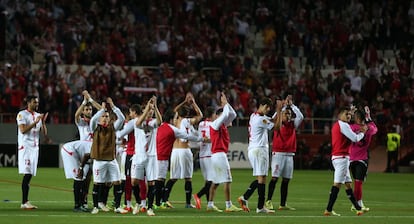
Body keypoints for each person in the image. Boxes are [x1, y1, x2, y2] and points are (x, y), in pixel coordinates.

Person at [323, 106, 369, 216]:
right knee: (337, 184)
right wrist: (363, 132)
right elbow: (355, 138)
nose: (349, 116)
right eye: (346, 114)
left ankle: (358, 208)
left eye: (350, 114)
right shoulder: (343, 125)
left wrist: (351, 113)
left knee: (348, 184)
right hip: (341, 158)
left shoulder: (337, 125)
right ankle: (328, 209)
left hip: (340, 157)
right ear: (340, 115)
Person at [155, 109, 205, 208]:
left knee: (173, 177)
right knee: (188, 178)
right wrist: (202, 139)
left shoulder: (167, 126)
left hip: (174, 151)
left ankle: (164, 200)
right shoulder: (185, 122)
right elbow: (200, 116)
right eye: (174, 117)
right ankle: (187, 203)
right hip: (184, 150)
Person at [89, 97, 128, 214]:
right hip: (99, 160)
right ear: (99, 118)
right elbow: (93, 120)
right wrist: (102, 110)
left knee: (117, 182)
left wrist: (113, 106)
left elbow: (122, 118)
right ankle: (96, 206)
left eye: (107, 116)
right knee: (97, 184)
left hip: (111, 160)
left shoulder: (113, 127)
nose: (106, 118)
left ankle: (117, 206)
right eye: (103, 116)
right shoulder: (95, 128)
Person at [265, 95, 304, 211]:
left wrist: (291, 105)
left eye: (290, 114)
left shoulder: (292, 125)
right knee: (275, 178)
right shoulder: (277, 123)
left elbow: (300, 116)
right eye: (286, 114)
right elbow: (272, 118)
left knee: (286, 179)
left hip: (289, 154)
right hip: (278, 153)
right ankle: (268, 201)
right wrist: (282, 107)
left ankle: (282, 204)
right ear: (281, 115)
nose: (288, 116)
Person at [206, 92, 243, 213]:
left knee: (216, 181)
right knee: (227, 180)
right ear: (218, 116)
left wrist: (226, 104)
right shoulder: (215, 124)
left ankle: (210, 204)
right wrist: (225, 103)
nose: (226, 118)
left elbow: (232, 114)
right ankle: (228, 205)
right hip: (219, 155)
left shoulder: (221, 125)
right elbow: (227, 113)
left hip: (217, 155)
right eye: (222, 116)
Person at [238, 97, 275, 213]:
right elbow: (276, 126)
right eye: (268, 108)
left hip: (254, 149)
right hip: (259, 150)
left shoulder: (253, 116)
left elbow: (271, 120)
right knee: (261, 178)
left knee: (261, 178)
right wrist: (279, 110)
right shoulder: (260, 119)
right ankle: (259, 207)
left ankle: (245, 198)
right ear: (263, 106)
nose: (268, 111)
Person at [129, 96, 162, 216]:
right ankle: (138, 203)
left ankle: (149, 207)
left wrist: (155, 107)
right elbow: (138, 123)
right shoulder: (137, 121)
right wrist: (148, 106)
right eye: (149, 111)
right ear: (144, 112)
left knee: (151, 182)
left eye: (152, 112)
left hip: (151, 156)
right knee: (134, 182)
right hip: (139, 155)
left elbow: (160, 121)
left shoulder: (153, 123)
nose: (150, 113)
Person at [17, 95, 48, 209]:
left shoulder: (37, 116)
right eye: (35, 102)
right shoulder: (22, 114)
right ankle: (24, 202)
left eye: (37, 103)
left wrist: (43, 122)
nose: (37, 104)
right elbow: (23, 130)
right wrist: (35, 122)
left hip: (35, 148)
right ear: (29, 102)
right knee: (28, 173)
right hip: (26, 147)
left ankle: (25, 202)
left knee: (30, 174)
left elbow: (44, 133)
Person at [116, 104, 147, 213]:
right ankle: (143, 204)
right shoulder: (146, 121)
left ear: (134, 112)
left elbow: (121, 137)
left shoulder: (131, 123)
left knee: (129, 179)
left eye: (130, 112)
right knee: (142, 180)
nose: (130, 114)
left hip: (131, 153)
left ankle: (130, 204)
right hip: (143, 154)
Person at [349, 106, 377, 211]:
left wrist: (350, 113)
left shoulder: (351, 128)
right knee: (358, 182)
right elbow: (375, 129)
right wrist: (369, 117)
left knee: (355, 182)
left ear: (356, 118)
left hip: (351, 158)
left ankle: (357, 204)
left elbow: (344, 127)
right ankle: (357, 204)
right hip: (362, 158)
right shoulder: (369, 129)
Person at [61, 140, 93, 212]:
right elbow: (86, 156)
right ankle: (77, 206)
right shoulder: (97, 147)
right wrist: (81, 168)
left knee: (83, 177)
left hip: (77, 153)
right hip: (69, 150)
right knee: (78, 176)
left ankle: (81, 204)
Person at [193, 107, 215, 210]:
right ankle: (198, 195)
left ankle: (209, 204)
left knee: (207, 181)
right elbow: (210, 139)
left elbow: (199, 138)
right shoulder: (212, 125)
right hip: (209, 154)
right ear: (212, 115)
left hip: (202, 154)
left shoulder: (201, 124)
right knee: (211, 180)